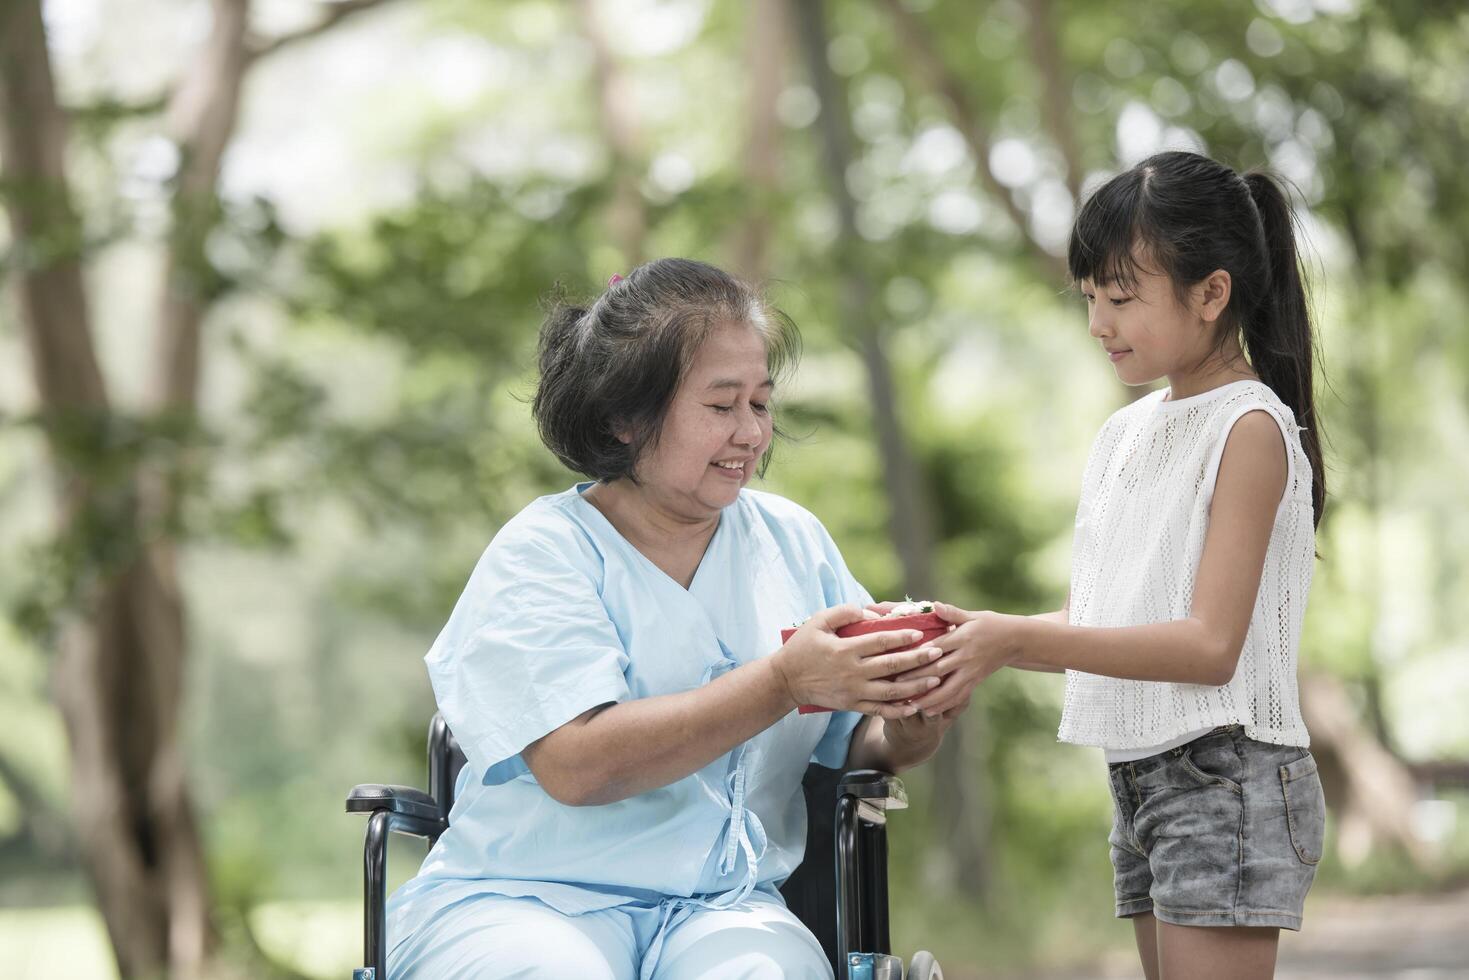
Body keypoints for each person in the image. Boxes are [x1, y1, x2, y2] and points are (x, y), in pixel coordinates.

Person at [385, 257, 952, 979]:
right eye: (721, 406)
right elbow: (576, 766)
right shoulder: (543, 555)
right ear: (625, 418)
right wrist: (779, 681)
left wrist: (908, 720)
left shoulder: (793, 543)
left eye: (760, 403)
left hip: (725, 907)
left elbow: (852, 748)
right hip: (526, 899)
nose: (750, 432)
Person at [894, 151, 1329, 979]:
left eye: (1122, 297)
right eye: (1089, 296)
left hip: (1223, 775)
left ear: (1212, 293)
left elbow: (1208, 648)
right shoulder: (1121, 435)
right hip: (1139, 777)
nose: (1098, 322)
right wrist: (971, 641)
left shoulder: (1248, 429)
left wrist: (1015, 642)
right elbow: (1103, 623)